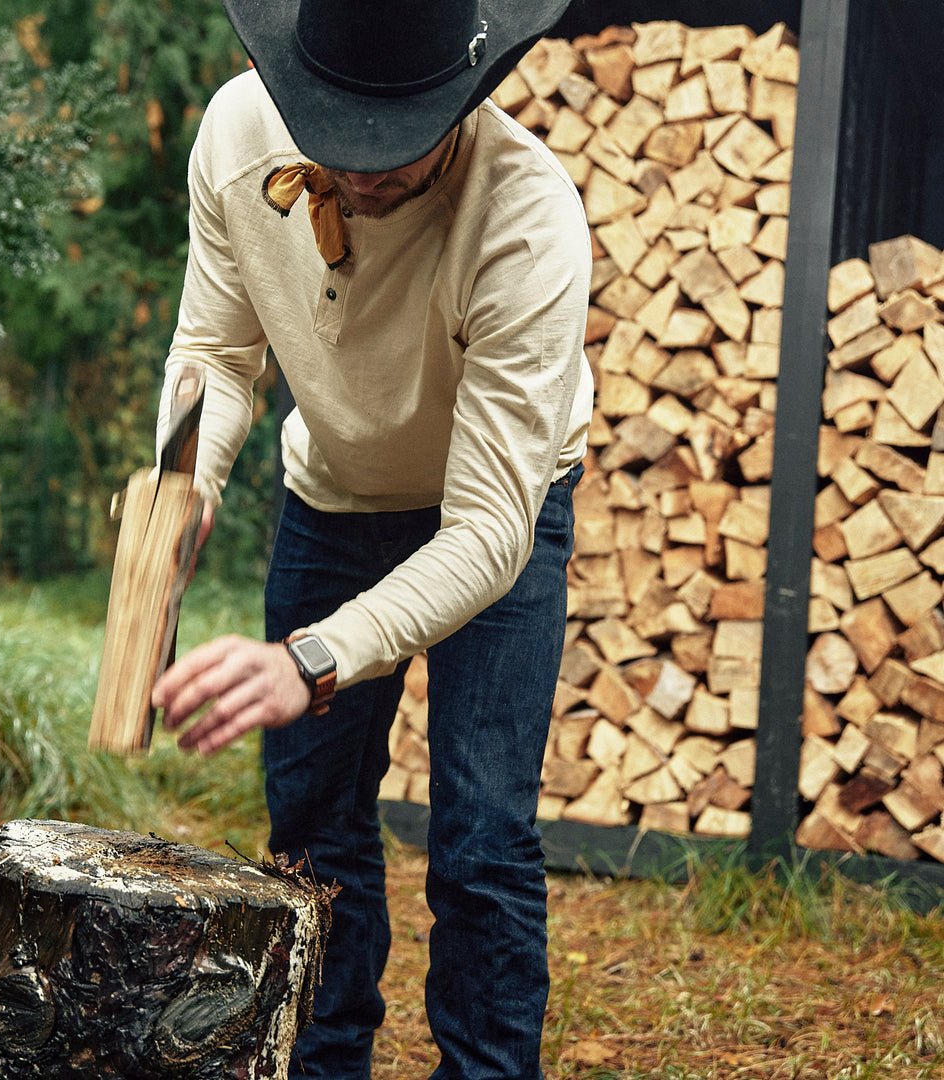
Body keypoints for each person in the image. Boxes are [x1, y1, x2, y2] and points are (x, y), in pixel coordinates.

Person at [150, 1, 593, 1077]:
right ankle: (323, 1057)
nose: (357, 169)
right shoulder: (235, 132)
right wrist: (178, 491)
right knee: (309, 822)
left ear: (461, 98)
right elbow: (215, 348)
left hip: (496, 513)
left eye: (386, 145)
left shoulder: (528, 216)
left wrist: (313, 658)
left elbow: (489, 530)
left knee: (482, 838)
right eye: (332, 134)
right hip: (335, 493)